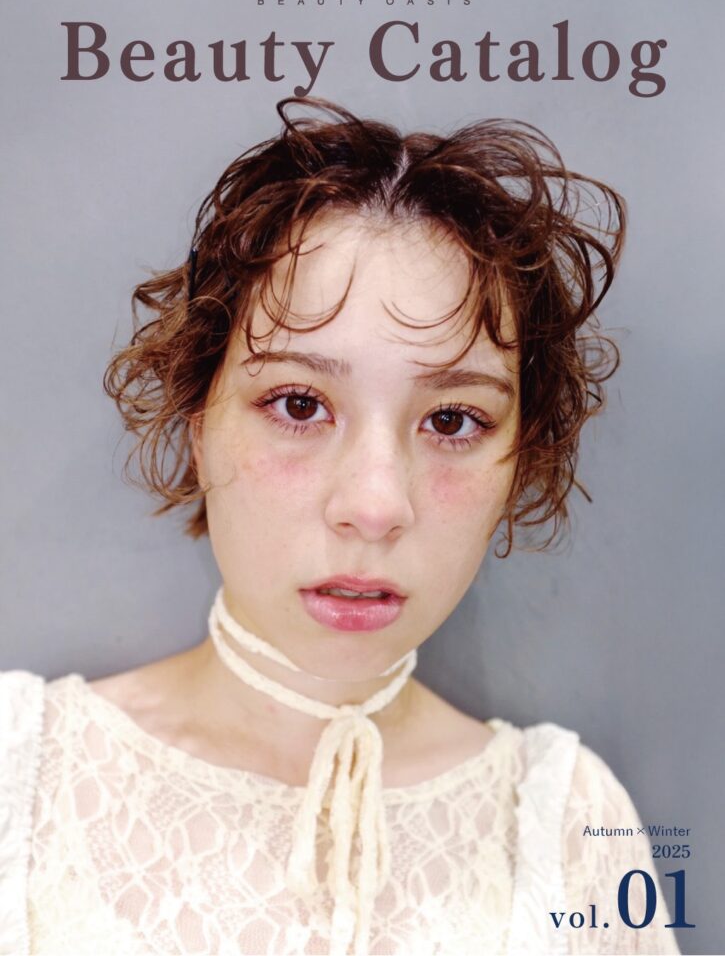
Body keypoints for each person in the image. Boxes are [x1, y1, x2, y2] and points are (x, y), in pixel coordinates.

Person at [0, 99, 680, 956]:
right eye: (298, 404)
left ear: (519, 456)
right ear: (196, 419)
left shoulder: (567, 827)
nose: (375, 504)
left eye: (452, 420)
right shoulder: (18, 779)